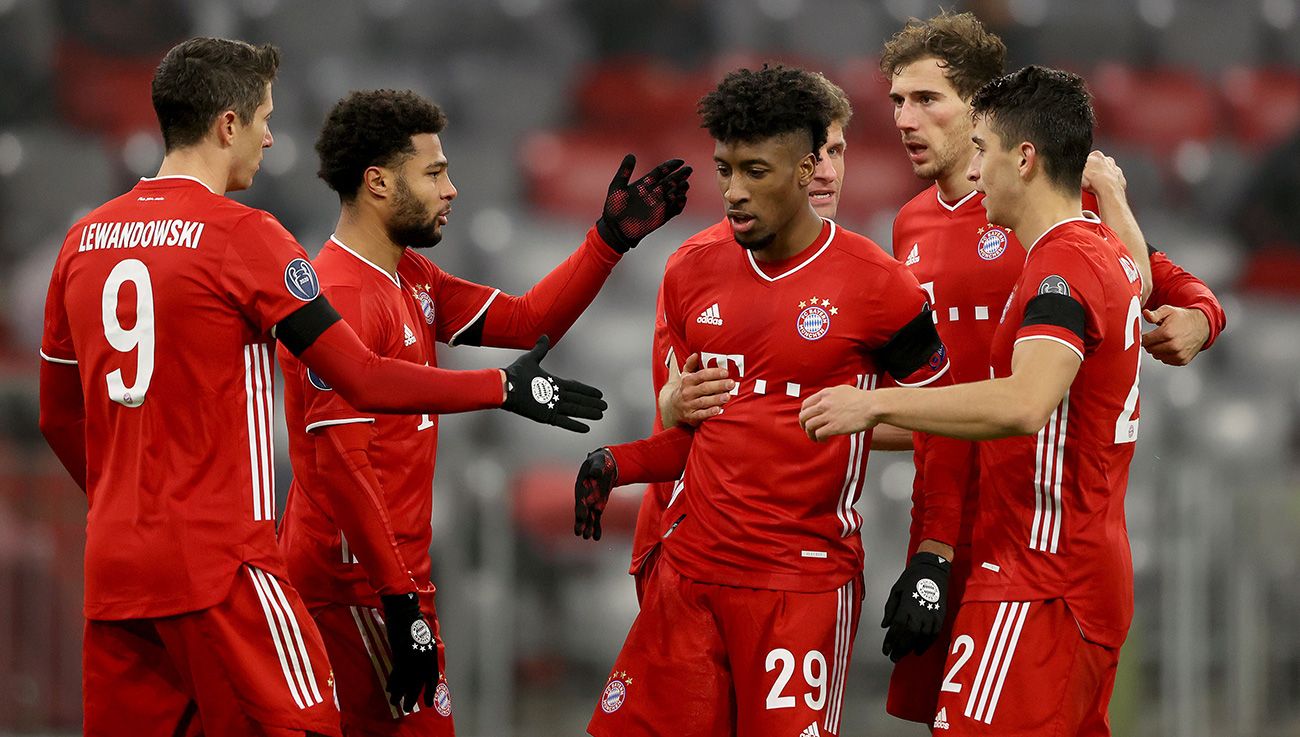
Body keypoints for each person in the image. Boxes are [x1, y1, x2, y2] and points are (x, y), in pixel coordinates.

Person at [36, 38, 609, 737]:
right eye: (263, 119)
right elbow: (359, 377)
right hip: (225, 569)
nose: (272, 137)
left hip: (116, 570)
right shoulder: (246, 237)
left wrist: (127, 508)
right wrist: (500, 389)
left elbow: (58, 417)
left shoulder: (83, 241)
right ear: (227, 125)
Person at [276, 89, 689, 735]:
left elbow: (529, 322)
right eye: (435, 173)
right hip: (351, 588)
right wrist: (399, 599)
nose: (452, 190)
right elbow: (341, 465)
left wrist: (608, 240)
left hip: (393, 583)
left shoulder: (411, 276)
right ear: (379, 182)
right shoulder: (340, 294)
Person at [573, 64, 954, 737]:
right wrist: (619, 462)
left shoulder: (881, 286)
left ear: (808, 169)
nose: (733, 192)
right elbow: (701, 431)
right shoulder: (691, 269)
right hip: (689, 575)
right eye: (724, 170)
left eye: (754, 170)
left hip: (798, 586)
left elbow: (944, 419)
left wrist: (933, 554)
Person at [874, 11, 1228, 728]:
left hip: (1037, 533)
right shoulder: (908, 224)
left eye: (926, 100)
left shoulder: (1055, 212)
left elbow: (1153, 279)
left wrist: (1201, 315)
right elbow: (929, 390)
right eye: (896, 102)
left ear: (982, 112)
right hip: (952, 521)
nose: (906, 119)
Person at [800, 64, 1145, 736]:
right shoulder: (1105, 248)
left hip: (1039, 575)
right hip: (1076, 568)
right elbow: (1141, 284)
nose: (975, 172)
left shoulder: (1060, 265)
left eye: (984, 151)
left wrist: (874, 406)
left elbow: (1023, 402)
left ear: (1024, 158)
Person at [625, 71, 852, 601]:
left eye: (835, 152)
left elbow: (909, 414)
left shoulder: (871, 280)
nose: (824, 173)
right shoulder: (695, 266)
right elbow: (680, 410)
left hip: (803, 563)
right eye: (813, 156)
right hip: (691, 547)